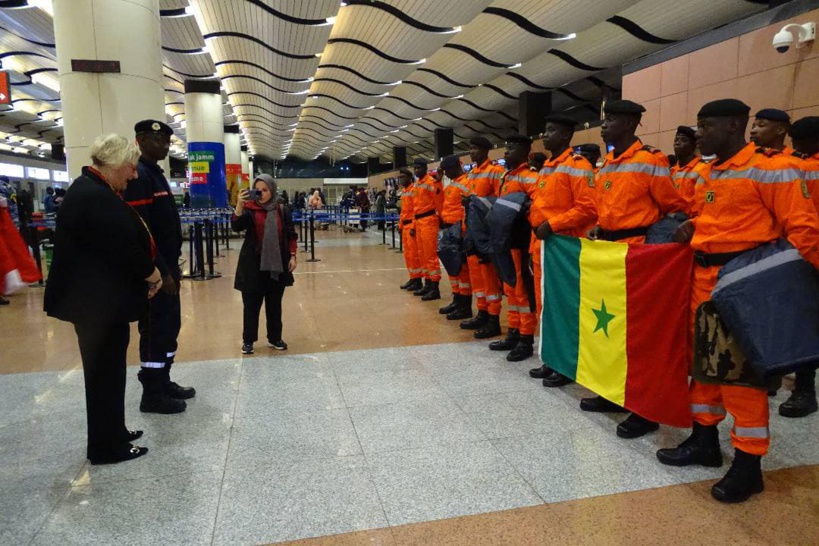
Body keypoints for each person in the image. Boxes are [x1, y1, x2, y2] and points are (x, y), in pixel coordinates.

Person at [656, 99, 819, 503]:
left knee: (741, 377)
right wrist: (692, 226)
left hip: (746, 286)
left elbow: (804, 231)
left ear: (732, 126)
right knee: (705, 366)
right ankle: (704, 441)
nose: (699, 134)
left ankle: (749, 465)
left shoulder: (772, 169)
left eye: (706, 125)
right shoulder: (711, 172)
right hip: (703, 280)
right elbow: (713, 217)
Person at [43, 133, 161, 464]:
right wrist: (151, 274)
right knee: (104, 377)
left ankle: (114, 431)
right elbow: (124, 248)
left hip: (101, 305)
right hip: (96, 308)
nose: (134, 174)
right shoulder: (95, 197)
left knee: (108, 374)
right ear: (113, 164)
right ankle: (106, 447)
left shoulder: (92, 190)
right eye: (131, 167)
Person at [584, 99, 689, 439]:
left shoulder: (650, 161)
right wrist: (602, 226)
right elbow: (607, 208)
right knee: (613, 329)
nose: (604, 125)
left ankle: (645, 409)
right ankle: (615, 391)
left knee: (642, 335)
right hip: (611, 256)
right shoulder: (608, 163)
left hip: (641, 257)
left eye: (611, 120)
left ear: (629, 124)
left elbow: (674, 208)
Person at [123, 119, 193, 415]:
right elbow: (143, 230)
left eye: (166, 141)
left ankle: (163, 379)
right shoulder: (139, 176)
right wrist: (162, 272)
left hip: (168, 268)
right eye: (157, 140)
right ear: (139, 141)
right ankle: (151, 392)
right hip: (157, 272)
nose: (164, 145)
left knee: (169, 327)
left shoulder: (155, 174)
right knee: (154, 328)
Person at [528, 114, 597, 376]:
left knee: (564, 305)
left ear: (566, 136)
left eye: (551, 131)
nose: (545, 136)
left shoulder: (577, 165)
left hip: (563, 246)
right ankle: (551, 357)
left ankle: (566, 365)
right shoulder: (547, 168)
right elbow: (538, 209)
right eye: (545, 131)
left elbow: (588, 208)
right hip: (542, 245)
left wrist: (554, 224)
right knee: (545, 304)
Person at [777, 116, 819, 418]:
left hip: (805, 255)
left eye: (798, 142)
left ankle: (805, 390)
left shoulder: (800, 168)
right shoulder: (794, 165)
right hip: (799, 254)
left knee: (806, 325)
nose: (795, 147)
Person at [233, 174, 298, 355]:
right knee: (251, 305)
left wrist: (292, 255)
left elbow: (290, 234)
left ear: (272, 189)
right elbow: (236, 226)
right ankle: (248, 340)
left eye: (265, 190)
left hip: (276, 265)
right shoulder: (249, 209)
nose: (261, 193)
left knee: (274, 304)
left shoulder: (282, 209)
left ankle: (275, 338)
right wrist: (239, 204)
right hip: (253, 265)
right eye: (258, 190)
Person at [489, 135, 539, 360]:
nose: (506, 151)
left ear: (525, 151)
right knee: (510, 288)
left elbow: (537, 206)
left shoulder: (530, 177)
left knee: (522, 292)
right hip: (505, 241)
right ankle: (514, 331)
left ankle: (526, 339)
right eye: (506, 146)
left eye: (511, 147)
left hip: (520, 241)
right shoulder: (506, 177)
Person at [461, 137, 505, 337]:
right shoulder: (472, 174)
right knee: (476, 275)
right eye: (470, 148)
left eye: (475, 147)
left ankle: (493, 318)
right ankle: (482, 312)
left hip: (486, 232)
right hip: (471, 229)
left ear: (486, 150)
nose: (472, 151)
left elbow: (499, 201)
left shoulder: (495, 172)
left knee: (489, 277)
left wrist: (477, 201)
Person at [437, 154, 473, 321]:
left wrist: (463, 231)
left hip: (460, 231)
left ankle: (465, 305)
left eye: (447, 171)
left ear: (454, 168)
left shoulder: (466, 183)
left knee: (462, 270)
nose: (446, 174)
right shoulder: (452, 185)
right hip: (450, 229)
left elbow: (469, 208)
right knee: (453, 267)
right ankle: (457, 299)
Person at [411, 158, 444, 300]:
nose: (416, 170)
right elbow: (415, 207)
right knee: (422, 254)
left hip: (429, 221)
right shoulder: (418, 184)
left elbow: (439, 201)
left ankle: (435, 287)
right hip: (419, 222)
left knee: (430, 255)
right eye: (415, 168)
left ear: (425, 169)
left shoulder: (431, 183)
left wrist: (441, 219)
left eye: (419, 168)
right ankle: (427, 284)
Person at [397, 169, 423, 291]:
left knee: (414, 255)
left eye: (403, 177)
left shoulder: (413, 191)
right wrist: (400, 225)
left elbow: (415, 210)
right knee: (408, 255)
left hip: (412, 226)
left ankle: (418, 280)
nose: (401, 180)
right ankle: (412, 278)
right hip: (405, 227)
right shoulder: (404, 192)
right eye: (400, 177)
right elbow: (403, 212)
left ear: (409, 178)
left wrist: (413, 226)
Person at [670, 125, 701, 205]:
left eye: (683, 140)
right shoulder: (671, 171)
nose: (677, 143)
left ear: (693, 145)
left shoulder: (701, 168)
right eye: (676, 140)